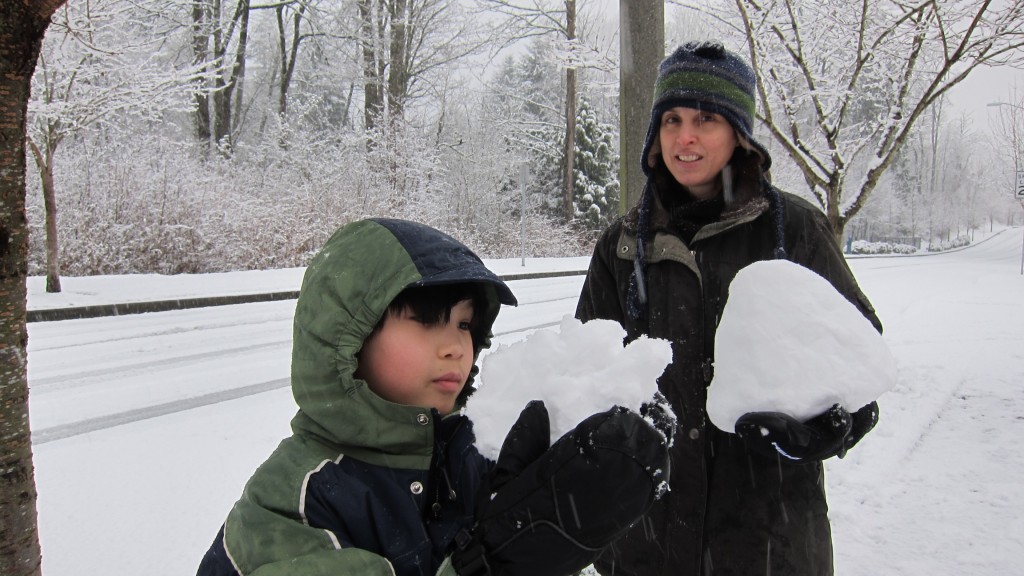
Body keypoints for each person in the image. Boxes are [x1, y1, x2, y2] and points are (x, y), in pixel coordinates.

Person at [197, 217, 672, 576]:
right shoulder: (295, 501)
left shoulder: (467, 455)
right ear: (349, 337)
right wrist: (498, 561)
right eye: (426, 320)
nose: (455, 346)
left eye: (464, 324)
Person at [575, 42, 882, 576]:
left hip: (768, 541)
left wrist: (834, 424)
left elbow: (859, 355)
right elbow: (581, 373)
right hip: (647, 542)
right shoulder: (622, 246)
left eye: (705, 119)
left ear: (739, 132)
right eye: (671, 119)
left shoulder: (796, 231)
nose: (684, 136)